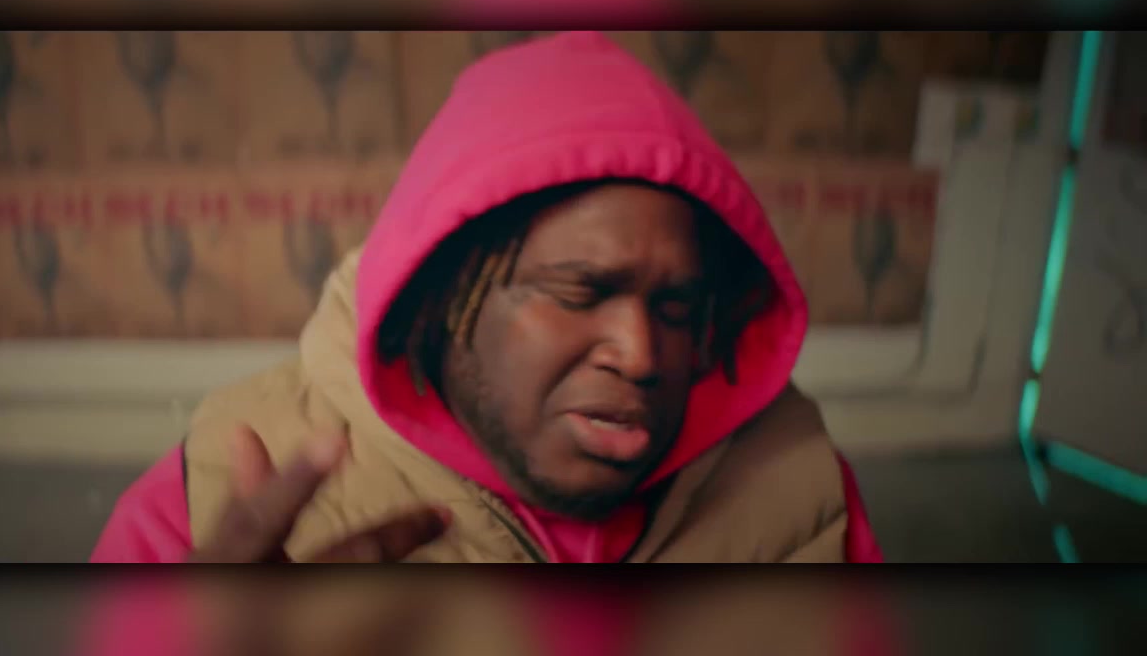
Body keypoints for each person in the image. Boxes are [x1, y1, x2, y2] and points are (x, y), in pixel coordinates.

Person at [91, 30, 883, 565]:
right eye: (580, 292)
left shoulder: (799, 489)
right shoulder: (203, 507)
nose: (642, 355)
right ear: (440, 299)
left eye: (675, 307)